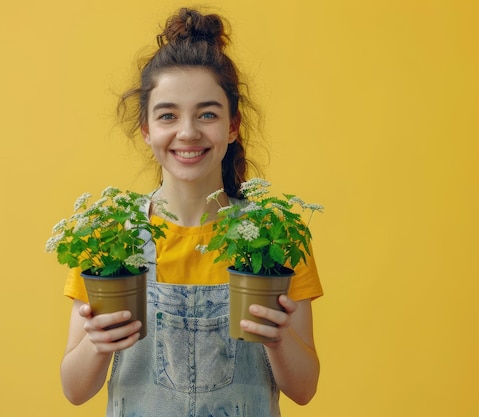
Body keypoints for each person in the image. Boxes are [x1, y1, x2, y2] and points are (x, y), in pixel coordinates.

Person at [60, 7, 323, 416]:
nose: (188, 132)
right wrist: (96, 343)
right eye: (168, 115)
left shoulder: (276, 238)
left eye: (207, 114)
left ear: (232, 126)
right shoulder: (110, 241)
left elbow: (305, 388)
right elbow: (74, 390)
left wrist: (278, 338)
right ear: (146, 130)